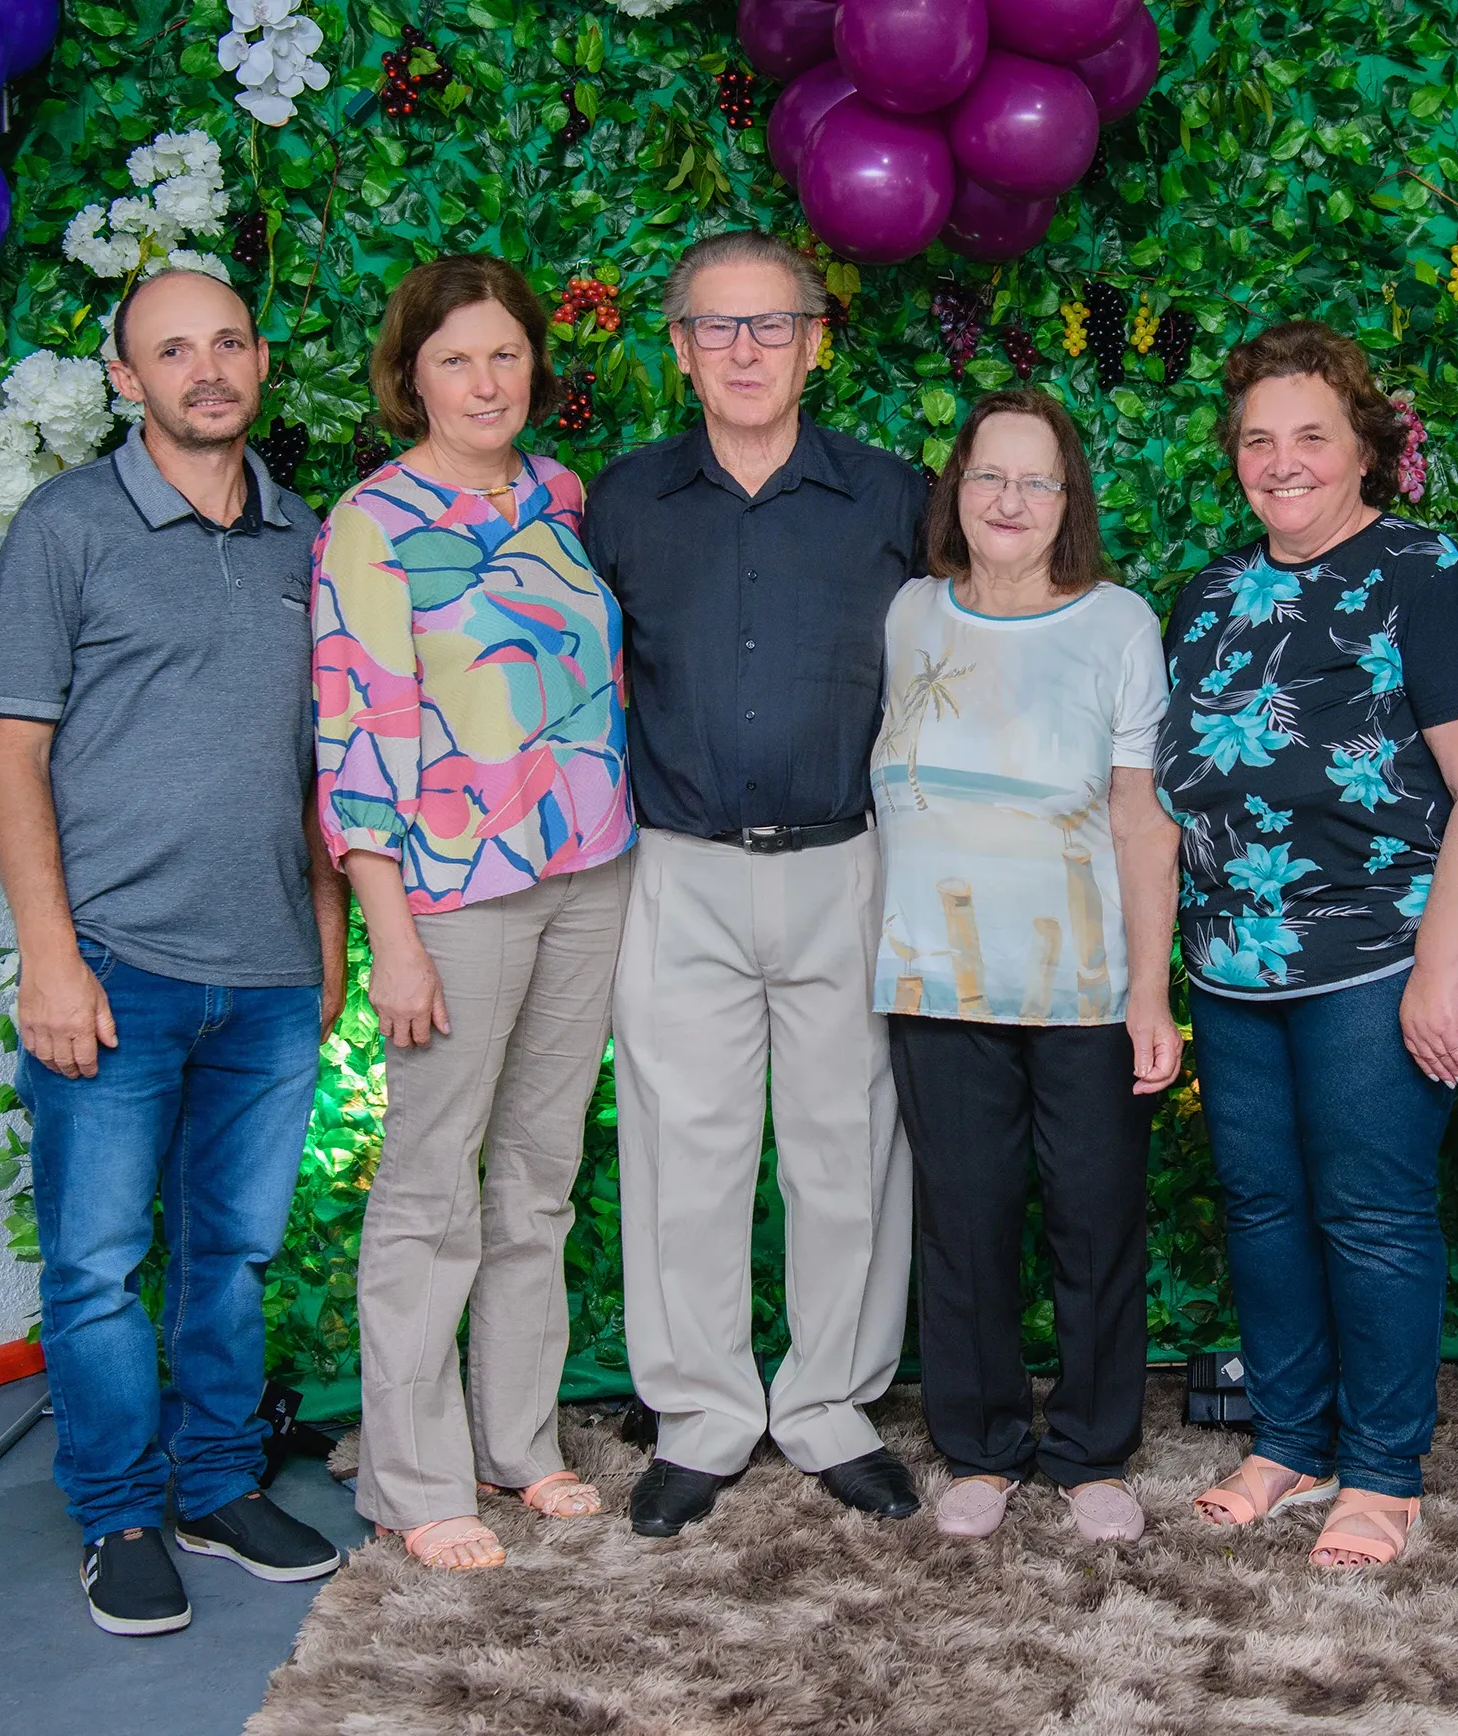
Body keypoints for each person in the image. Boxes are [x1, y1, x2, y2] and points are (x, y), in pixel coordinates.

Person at [0, 268, 347, 1636]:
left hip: (267, 979)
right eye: (171, 350)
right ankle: (120, 1514)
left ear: (256, 361)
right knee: (91, 1263)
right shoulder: (65, 527)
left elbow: (314, 767)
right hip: (115, 967)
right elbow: (13, 751)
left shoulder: (303, 537)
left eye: (228, 342)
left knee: (231, 1254)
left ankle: (215, 1481)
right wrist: (48, 955)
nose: (206, 369)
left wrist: (324, 943)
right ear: (125, 380)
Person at [1157, 320, 1458, 1570]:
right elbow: (1170, 793)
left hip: (1377, 961)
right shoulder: (1207, 596)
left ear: (1363, 447)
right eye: (1259, 440)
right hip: (1230, 964)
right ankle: (1290, 1440)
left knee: (1371, 1212)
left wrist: (1444, 968)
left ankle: (1383, 1472)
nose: (1283, 460)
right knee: (1262, 1209)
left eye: (1311, 434)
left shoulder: (1428, 573)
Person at [585, 231, 930, 1534]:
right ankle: (704, 1413)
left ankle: (832, 1403)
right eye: (716, 328)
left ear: (814, 341)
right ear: (677, 349)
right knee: (686, 1152)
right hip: (677, 870)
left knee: (847, 1147)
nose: (744, 349)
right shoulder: (616, 505)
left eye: (770, 324)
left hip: (850, 864)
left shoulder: (895, 499)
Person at [313, 255, 636, 1571]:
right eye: (457, 359)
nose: (485, 380)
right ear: (413, 375)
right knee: (430, 1189)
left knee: (540, 1182)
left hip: (589, 873)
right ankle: (414, 1475)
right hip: (449, 897)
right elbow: (358, 732)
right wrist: (385, 928)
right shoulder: (373, 521)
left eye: (504, 355)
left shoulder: (559, 497)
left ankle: (518, 1444)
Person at [870, 390, 1180, 1544]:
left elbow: (1144, 819)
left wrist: (1150, 990)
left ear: (1067, 501)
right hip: (933, 978)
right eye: (988, 476)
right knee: (965, 1218)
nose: (1009, 500)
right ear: (956, 489)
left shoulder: (1115, 623)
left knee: (1095, 1219)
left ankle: (1091, 1447)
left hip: (1084, 983)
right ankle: (983, 1444)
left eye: (1035, 481)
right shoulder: (906, 615)